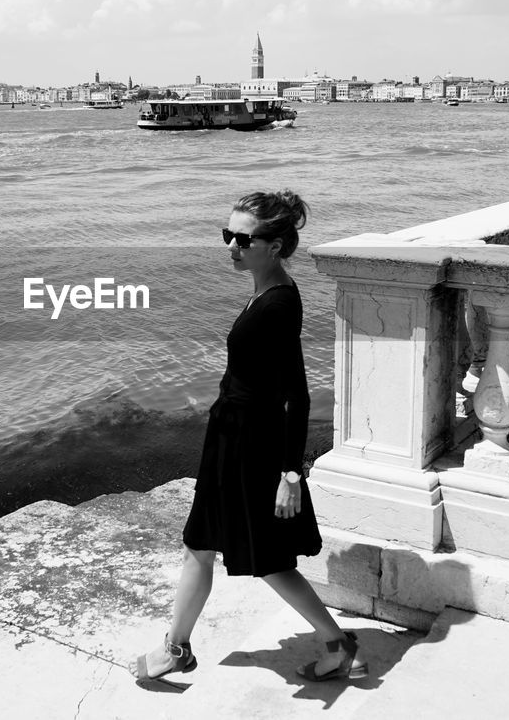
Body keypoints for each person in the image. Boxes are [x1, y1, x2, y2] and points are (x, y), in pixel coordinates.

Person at [133, 189, 367, 684]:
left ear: (276, 245)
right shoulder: (265, 291)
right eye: (228, 235)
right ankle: (177, 646)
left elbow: (297, 395)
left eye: (244, 238)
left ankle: (335, 644)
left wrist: (290, 473)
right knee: (200, 543)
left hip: (251, 448)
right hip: (230, 438)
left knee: (267, 559)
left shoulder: (277, 303)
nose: (232, 247)